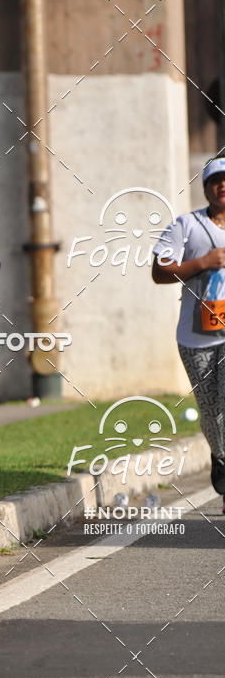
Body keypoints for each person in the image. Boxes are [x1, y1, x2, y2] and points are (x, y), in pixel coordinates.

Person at [153, 156, 225, 513]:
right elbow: (159, 270)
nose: (223, 185)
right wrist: (202, 263)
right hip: (196, 335)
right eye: (216, 180)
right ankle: (220, 454)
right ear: (206, 188)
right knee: (212, 413)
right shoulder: (186, 225)